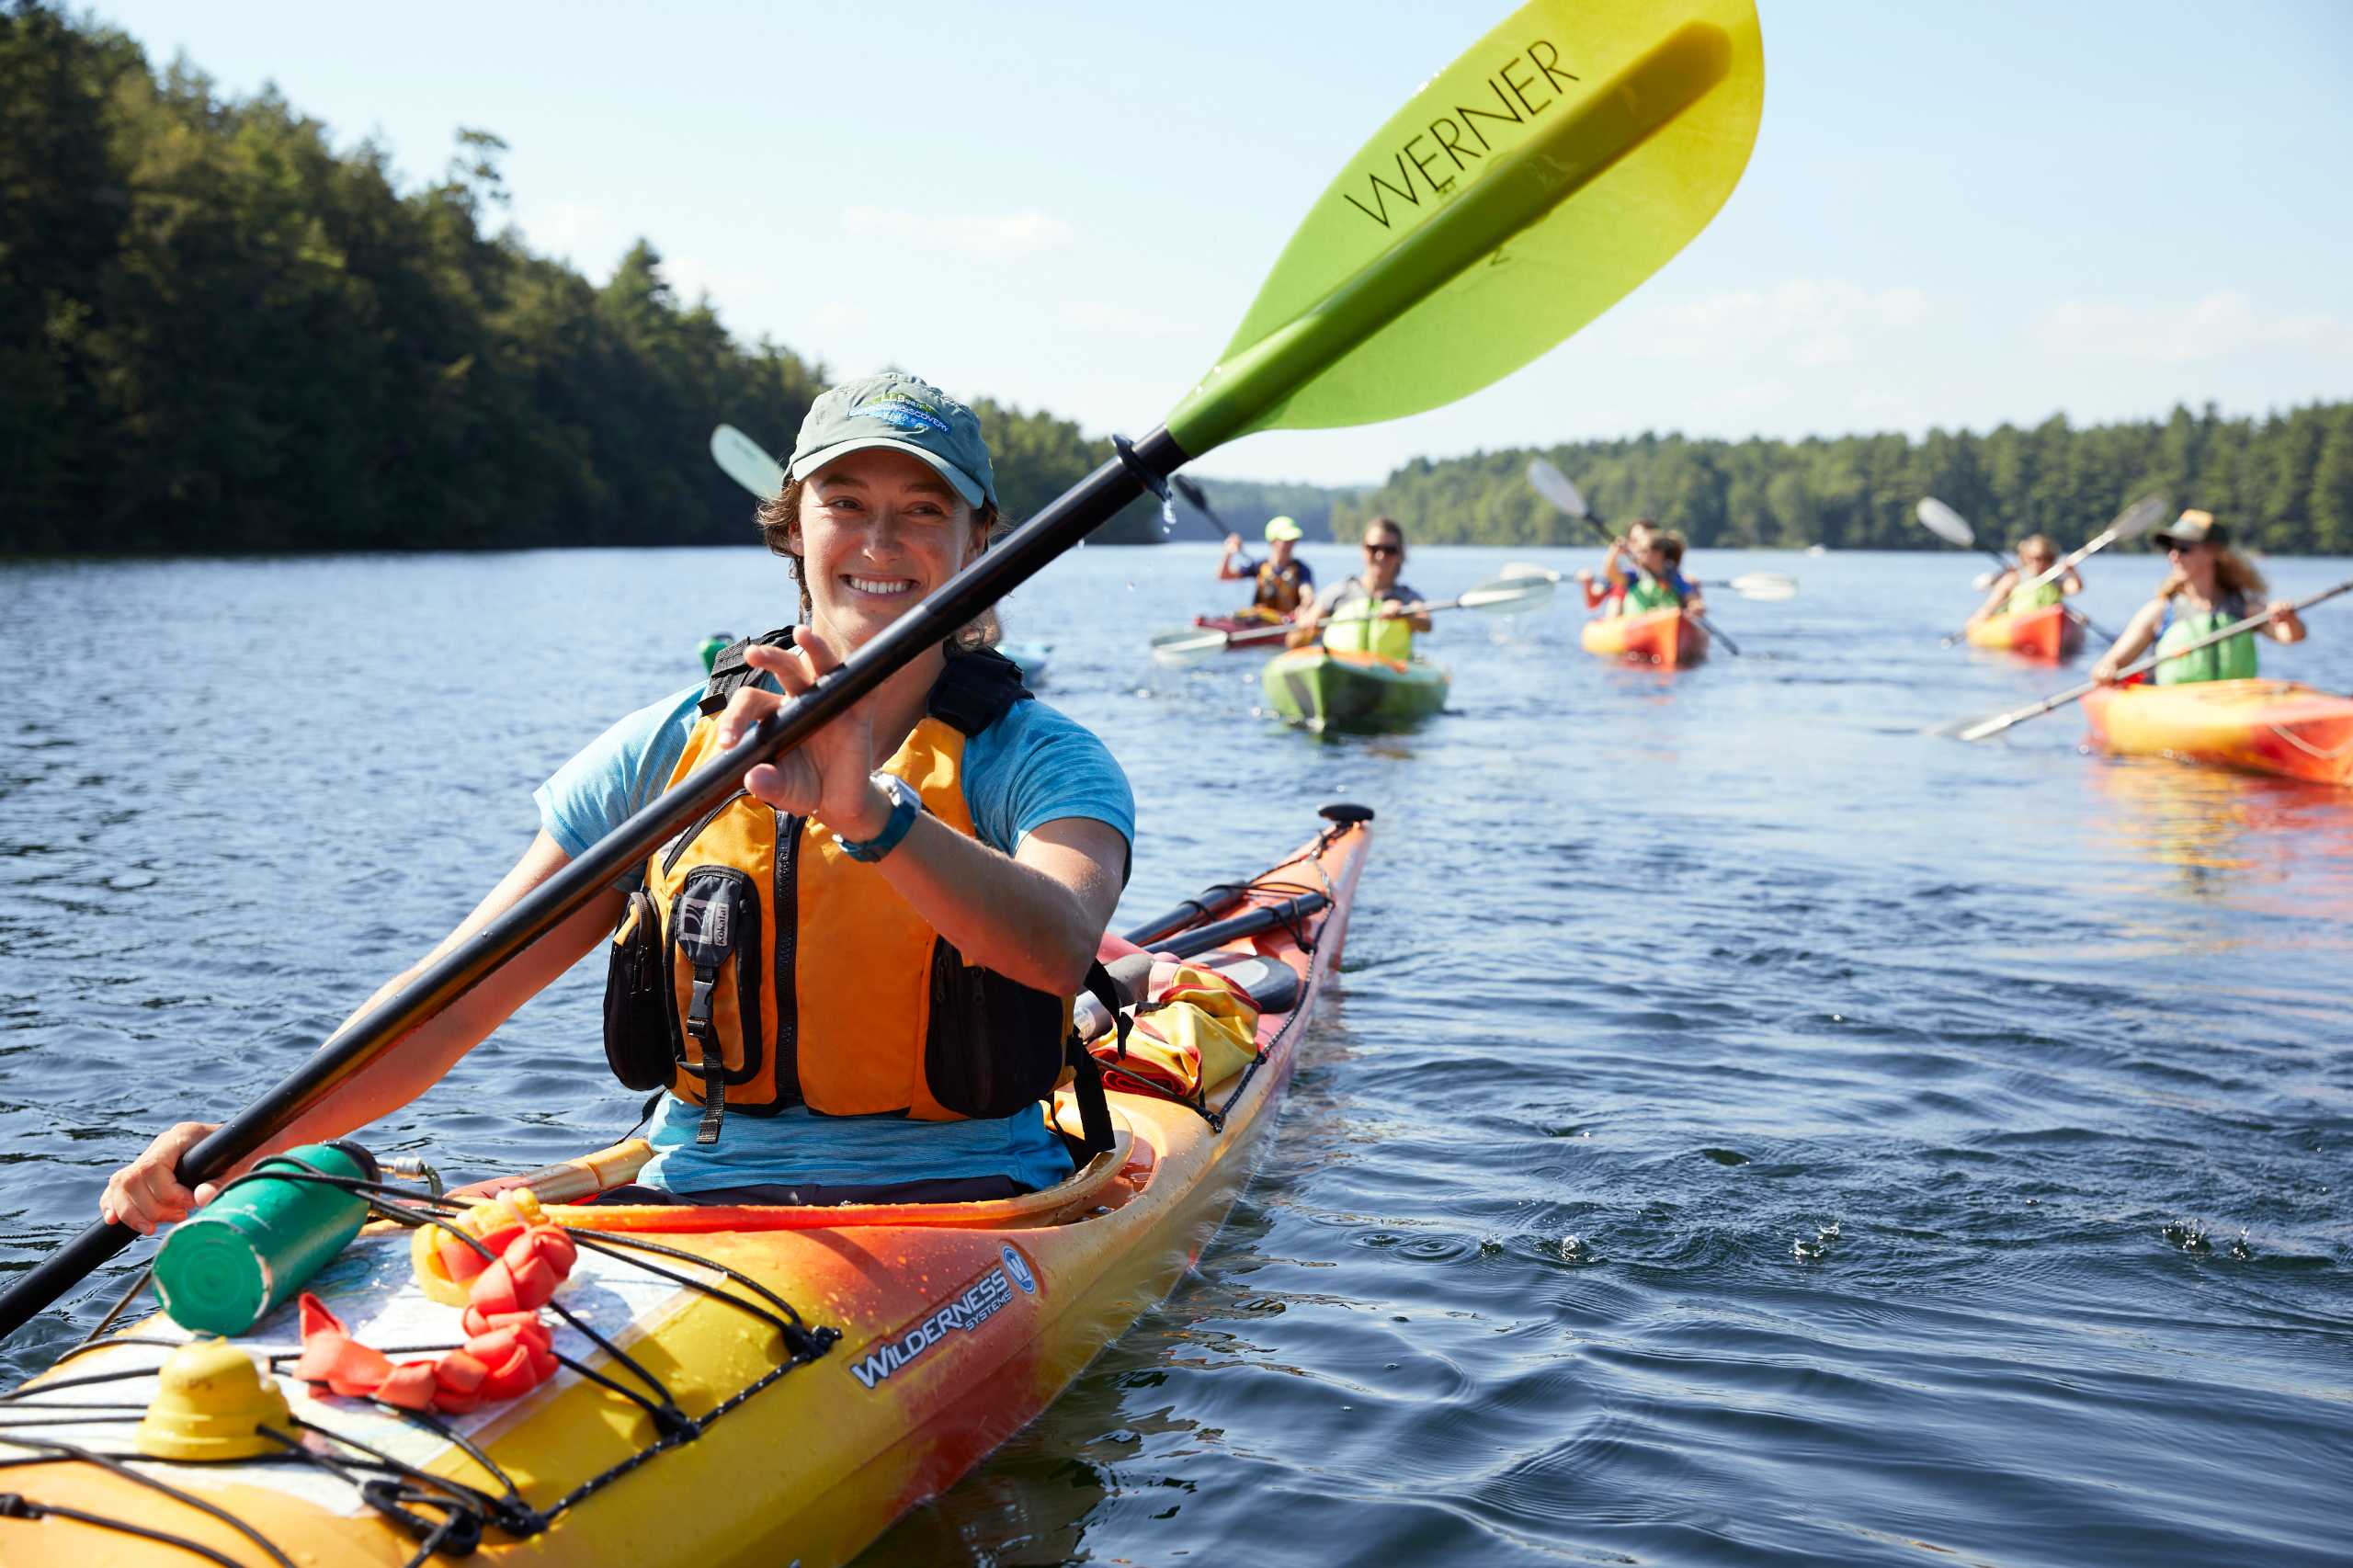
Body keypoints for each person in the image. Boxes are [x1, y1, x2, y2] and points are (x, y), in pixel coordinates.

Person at [100, 372, 1136, 1231]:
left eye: (922, 510)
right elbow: (457, 991)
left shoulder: (1038, 760)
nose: (880, 541)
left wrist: (870, 811)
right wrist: (243, 1140)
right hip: (692, 1200)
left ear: (977, 540)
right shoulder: (668, 748)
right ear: (793, 531)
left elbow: (1054, 946)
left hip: (976, 1204)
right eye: (845, 504)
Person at [2091, 510, 2303, 686]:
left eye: (2184, 548)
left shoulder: (2244, 609)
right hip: (2177, 709)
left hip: (2234, 703)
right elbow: (2111, 663)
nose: (2174, 555)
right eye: (2170, 548)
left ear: (2213, 552)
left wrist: (2288, 619)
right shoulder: (2160, 612)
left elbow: (2291, 636)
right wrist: (2106, 671)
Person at [1289, 516, 1431, 660]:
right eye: (1373, 548)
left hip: (1390, 671)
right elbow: (1293, 641)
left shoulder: (1408, 598)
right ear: (1363, 549)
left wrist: (1404, 614)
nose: (1381, 556)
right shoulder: (1338, 592)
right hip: (1340, 669)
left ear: (1400, 554)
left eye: (1389, 550)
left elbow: (1426, 623)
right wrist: (1305, 630)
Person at [1580, 520, 1705, 619]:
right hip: (1638, 622)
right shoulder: (1634, 575)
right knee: (1617, 594)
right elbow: (1611, 575)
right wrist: (1614, 552)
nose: (1636, 554)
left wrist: (1696, 606)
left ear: (1659, 553)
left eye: (1643, 551)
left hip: (1667, 618)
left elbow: (1691, 598)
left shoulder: (1673, 577)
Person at [1967, 533, 2081, 627]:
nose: (2040, 563)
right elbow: (1991, 605)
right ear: (2026, 557)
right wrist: (1979, 619)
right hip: (2019, 623)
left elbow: (2075, 588)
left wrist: (2072, 571)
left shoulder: (2054, 580)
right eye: (2035, 558)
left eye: (2046, 558)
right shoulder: (2014, 578)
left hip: (2049, 622)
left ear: (2052, 559)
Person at [1217, 516, 1314, 621]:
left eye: (1293, 540)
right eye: (1285, 540)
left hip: (1287, 622)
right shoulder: (1259, 566)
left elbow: (1307, 593)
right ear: (1273, 541)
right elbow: (1224, 576)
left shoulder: (1301, 569)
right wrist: (1228, 553)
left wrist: (1305, 607)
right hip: (1261, 621)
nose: (1290, 544)